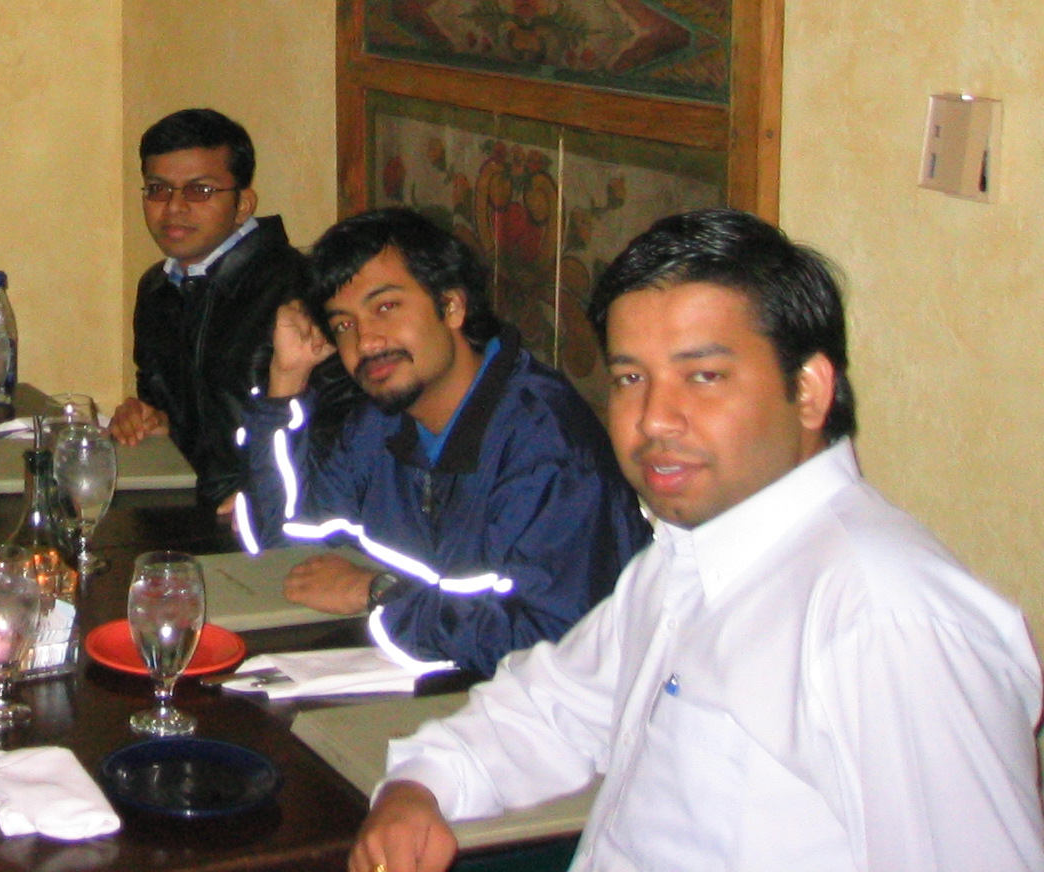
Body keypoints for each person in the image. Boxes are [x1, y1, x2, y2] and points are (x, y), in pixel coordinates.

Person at [357, 209, 1044, 872]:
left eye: (703, 376)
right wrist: (419, 787)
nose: (654, 418)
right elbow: (552, 708)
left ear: (809, 390)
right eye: (631, 378)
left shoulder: (885, 618)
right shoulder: (688, 557)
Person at [238, 207, 648, 677]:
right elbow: (290, 554)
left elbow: (556, 640)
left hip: (561, 706)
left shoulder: (545, 446)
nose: (366, 342)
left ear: (451, 306)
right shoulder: (381, 420)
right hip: (437, 683)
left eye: (386, 307)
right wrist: (286, 381)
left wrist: (382, 594)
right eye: (344, 324)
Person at [108, 109, 304, 511]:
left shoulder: (296, 290)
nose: (173, 207)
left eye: (199, 191)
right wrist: (148, 421)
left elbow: (335, 431)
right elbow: (171, 413)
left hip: (268, 511)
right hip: (178, 500)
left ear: (243, 204)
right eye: (158, 189)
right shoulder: (158, 288)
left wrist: (260, 500)